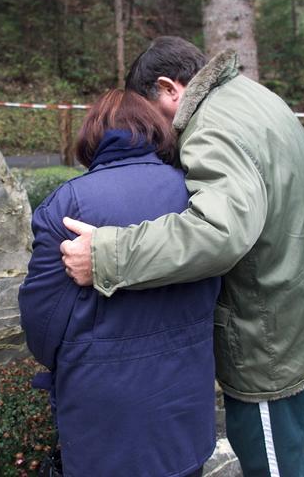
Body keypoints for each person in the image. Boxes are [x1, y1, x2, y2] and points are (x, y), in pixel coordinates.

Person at [59, 36, 304, 477]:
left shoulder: (211, 126)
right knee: (291, 444)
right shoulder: (250, 96)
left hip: (270, 332)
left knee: (270, 459)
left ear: (169, 88)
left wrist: (107, 254)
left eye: (150, 115)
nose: (156, 134)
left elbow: (218, 232)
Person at [18, 88, 221, 477]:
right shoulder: (197, 193)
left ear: (92, 136)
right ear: (155, 131)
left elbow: (41, 321)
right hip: (185, 400)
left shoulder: (67, 204)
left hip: (104, 413)